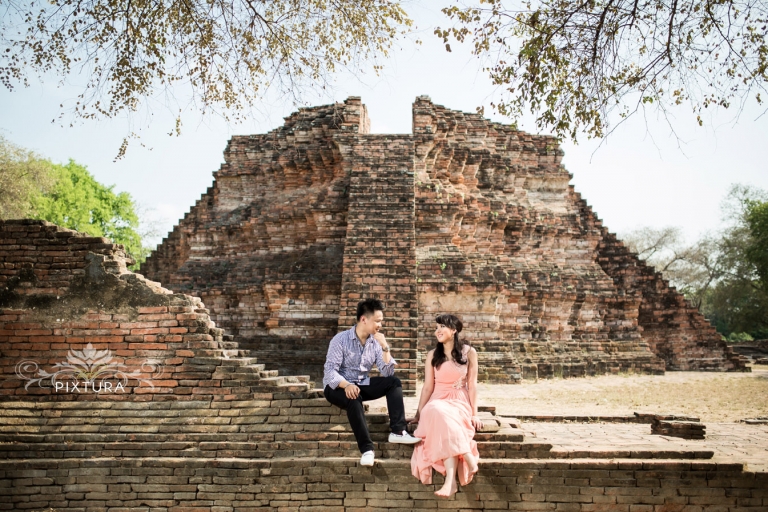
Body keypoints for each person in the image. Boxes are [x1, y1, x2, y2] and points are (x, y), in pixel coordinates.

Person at [323, 298, 421, 466]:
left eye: (381, 321)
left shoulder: (375, 342)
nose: (380, 325)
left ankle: (398, 430)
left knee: (394, 382)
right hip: (337, 387)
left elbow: (388, 372)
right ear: (364, 319)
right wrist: (346, 385)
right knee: (354, 398)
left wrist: (385, 347)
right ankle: (367, 450)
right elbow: (330, 372)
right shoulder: (340, 340)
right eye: (377, 321)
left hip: (361, 384)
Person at [409, 314, 482, 497]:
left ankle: (450, 482)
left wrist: (475, 413)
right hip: (437, 400)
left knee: (445, 421)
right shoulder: (433, 355)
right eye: (437, 327)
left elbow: (472, 385)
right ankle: (466, 456)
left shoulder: (469, 352)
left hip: (459, 401)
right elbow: (427, 387)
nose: (438, 331)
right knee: (436, 411)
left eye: (442, 327)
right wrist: (418, 414)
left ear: (454, 330)